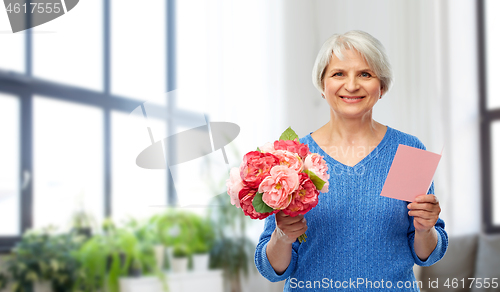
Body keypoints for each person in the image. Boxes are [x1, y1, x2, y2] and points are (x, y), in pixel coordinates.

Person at [254, 30, 448, 291]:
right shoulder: (293, 158)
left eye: (365, 74)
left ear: (383, 86)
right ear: (323, 85)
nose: (352, 85)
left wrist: (426, 230)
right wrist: (282, 236)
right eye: (338, 74)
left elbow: (427, 255)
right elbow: (272, 270)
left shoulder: (408, 150)